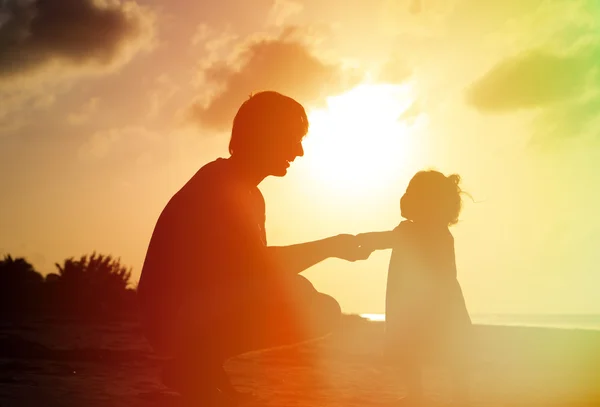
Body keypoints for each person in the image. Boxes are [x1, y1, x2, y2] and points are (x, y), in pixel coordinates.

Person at [137, 91, 378, 405]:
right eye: (293, 138)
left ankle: (202, 369)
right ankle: (192, 366)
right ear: (266, 135)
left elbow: (245, 268)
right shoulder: (223, 185)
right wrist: (331, 247)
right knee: (312, 305)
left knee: (301, 294)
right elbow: (258, 265)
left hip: (181, 310)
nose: (300, 151)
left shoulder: (240, 187)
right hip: (171, 316)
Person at [383, 170, 473, 406]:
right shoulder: (425, 231)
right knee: (421, 350)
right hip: (428, 301)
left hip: (427, 302)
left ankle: (447, 395)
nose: (404, 197)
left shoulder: (421, 232)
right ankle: (424, 394)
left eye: (412, 193)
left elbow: (385, 240)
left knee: (446, 350)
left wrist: (359, 241)